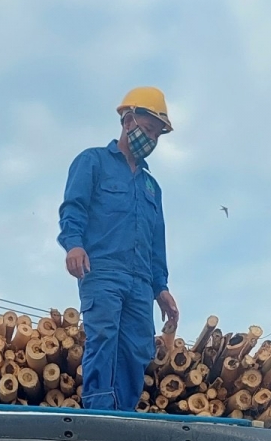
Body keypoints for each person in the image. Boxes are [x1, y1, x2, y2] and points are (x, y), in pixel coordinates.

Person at [57, 88, 181, 411]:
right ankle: (99, 415)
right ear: (128, 121)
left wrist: (161, 287)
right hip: (103, 272)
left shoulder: (152, 187)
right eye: (148, 129)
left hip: (141, 283)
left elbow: (156, 242)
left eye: (157, 134)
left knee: (136, 348)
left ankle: (124, 416)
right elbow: (74, 207)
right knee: (104, 339)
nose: (151, 139)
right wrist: (73, 244)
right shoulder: (93, 161)